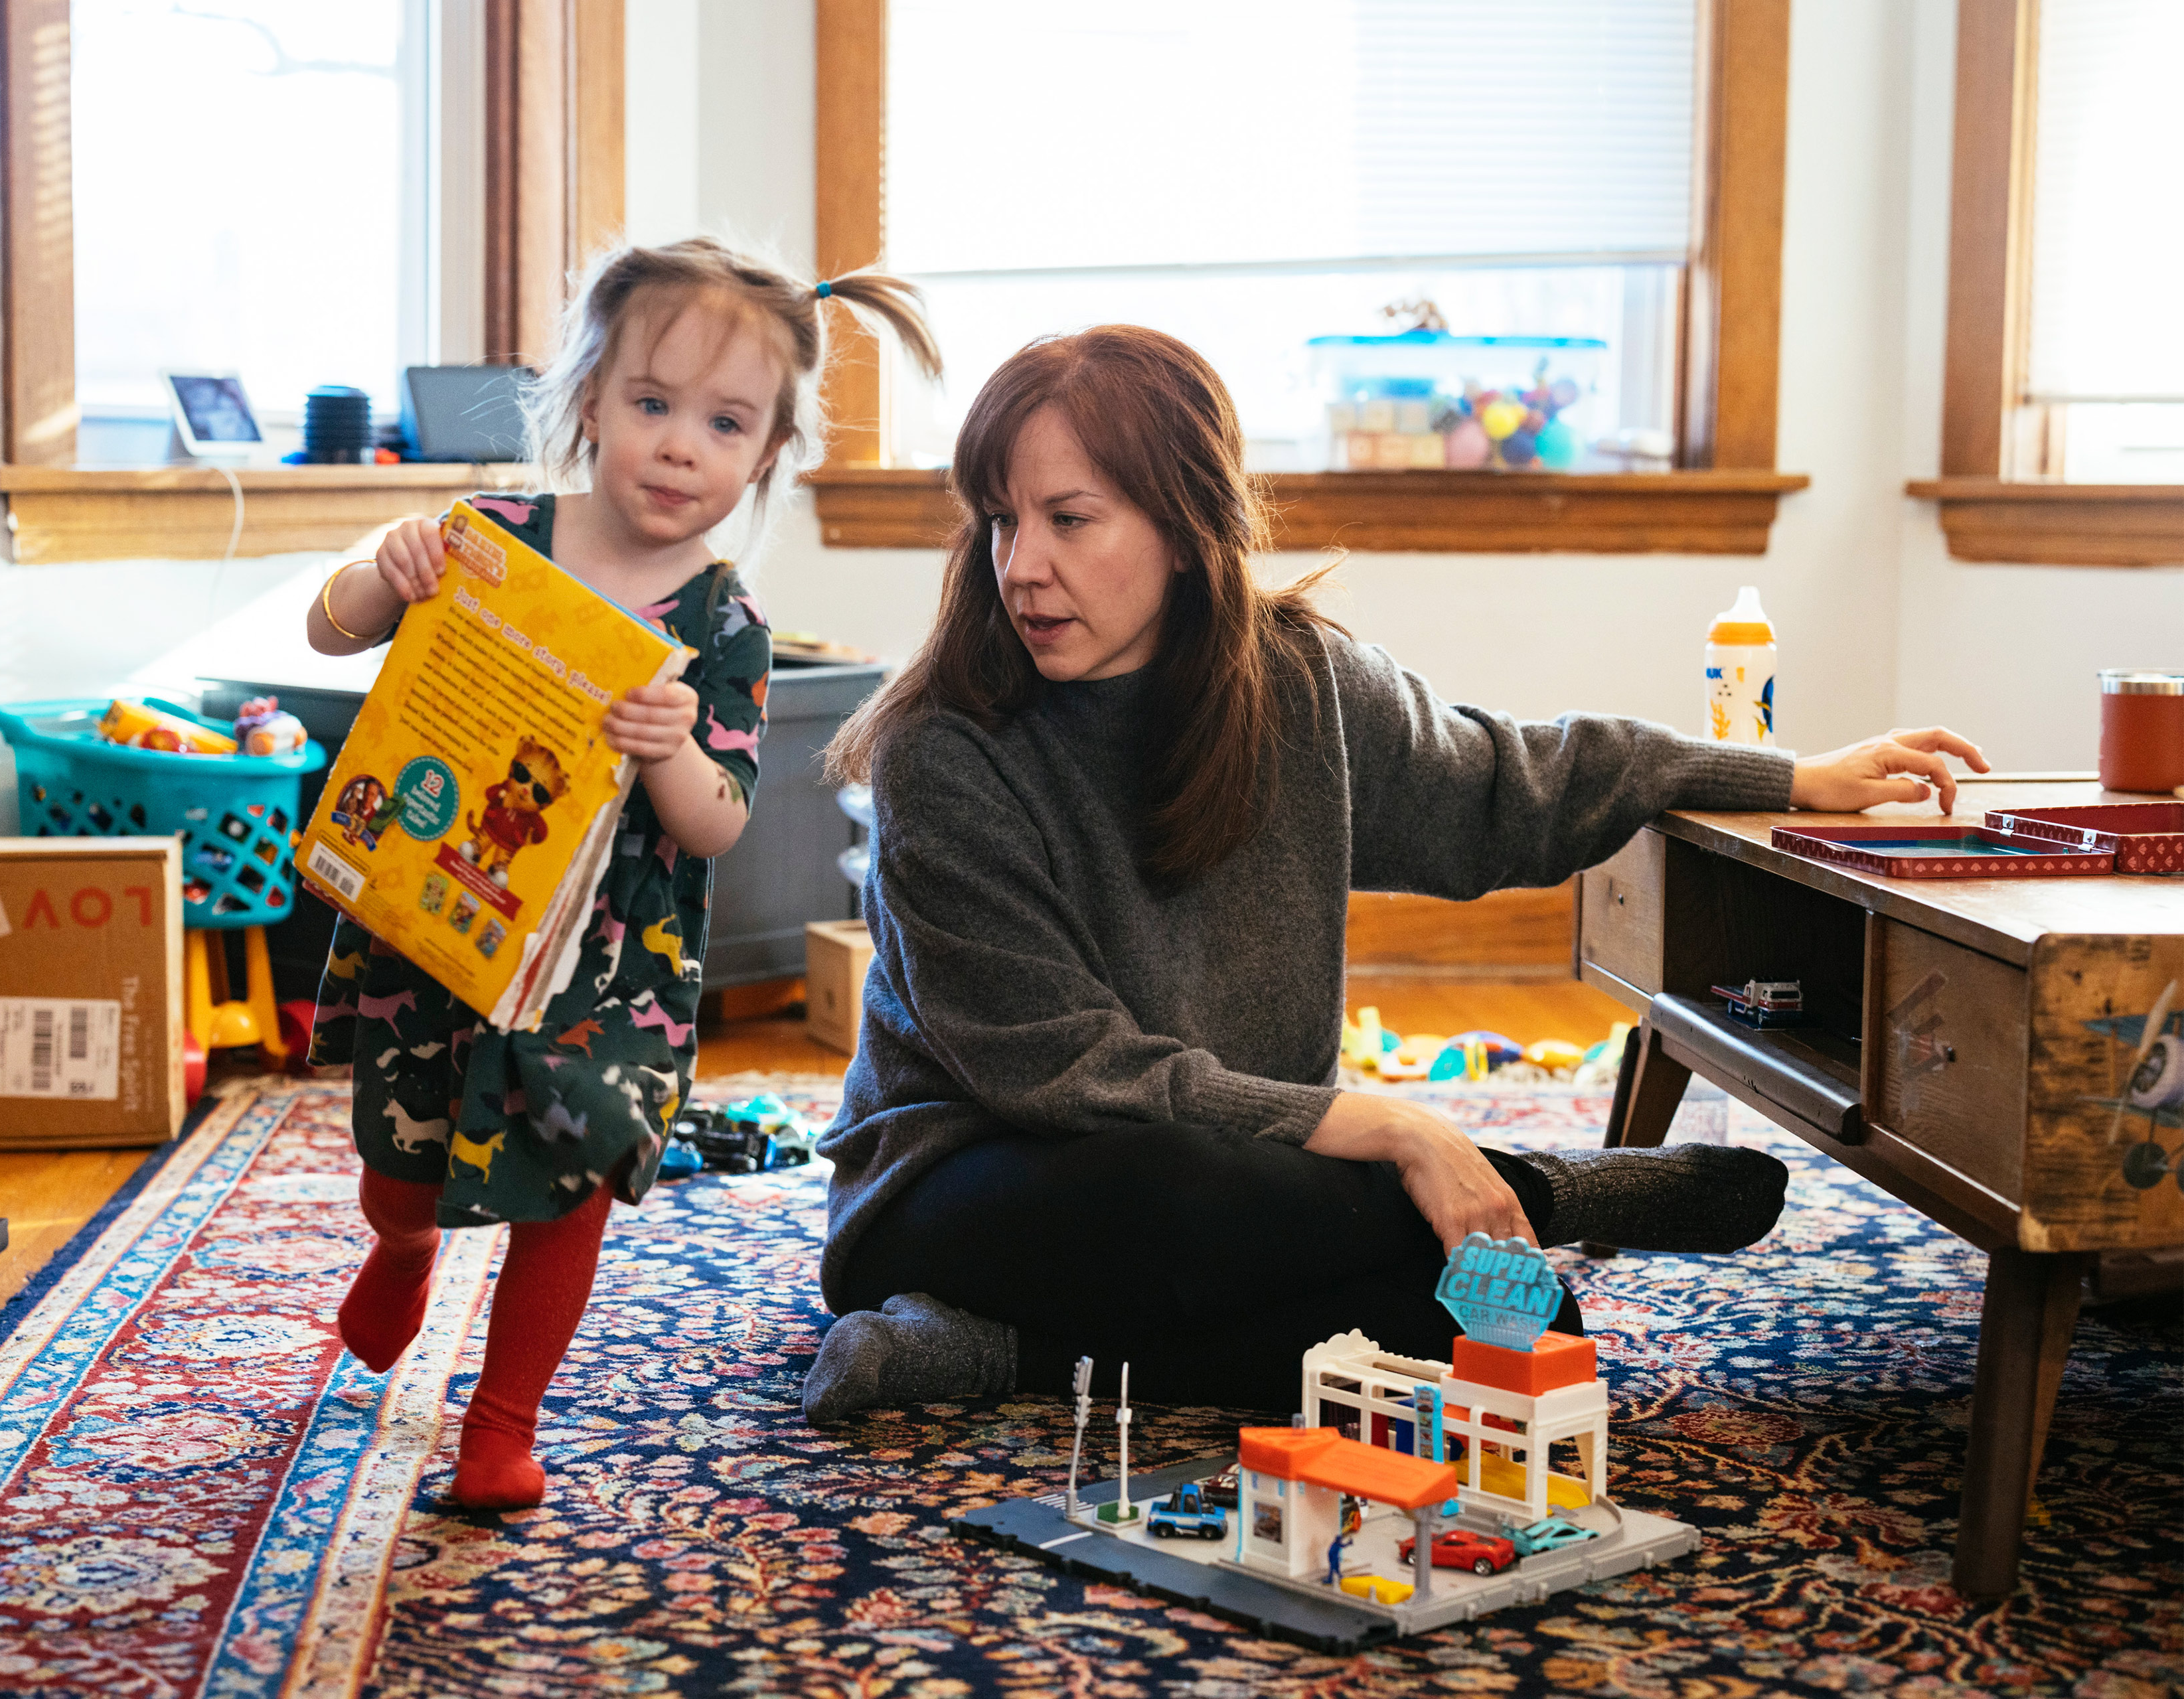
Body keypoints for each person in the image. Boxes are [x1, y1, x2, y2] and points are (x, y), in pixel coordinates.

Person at [803, 325, 1986, 1424]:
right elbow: (1069, 1072)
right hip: (970, 1175)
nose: (1022, 566)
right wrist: (1401, 1134)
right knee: (1188, 1196)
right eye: (1000, 523)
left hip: (1256, 1170)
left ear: (1182, 527)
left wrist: (1779, 776)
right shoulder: (941, 752)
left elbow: (1507, 785)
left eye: (1069, 519)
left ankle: (983, 1357)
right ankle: (1555, 1189)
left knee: (1501, 1336)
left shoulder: (1297, 684)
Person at [304, 237, 941, 1507]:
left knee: (573, 1189)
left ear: (765, 454)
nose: (677, 446)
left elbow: (716, 823)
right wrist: (387, 566)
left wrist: (672, 751)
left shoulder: (728, 630)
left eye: (724, 422)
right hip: (449, 924)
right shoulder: (488, 538)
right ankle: (403, 1245)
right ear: (587, 397)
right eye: (651, 404)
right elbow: (333, 626)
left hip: (611, 973)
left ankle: (502, 1425)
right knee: (398, 1158)